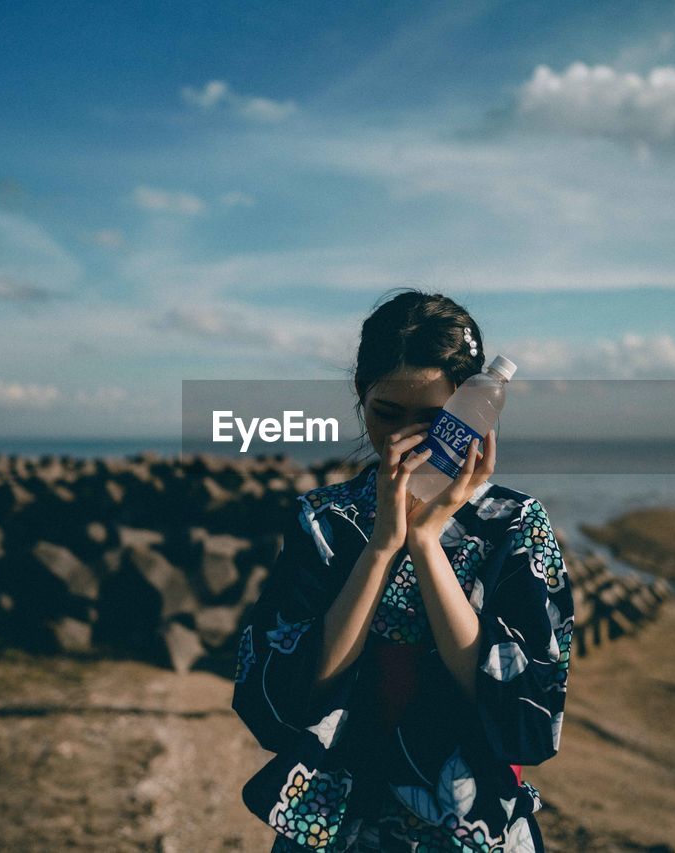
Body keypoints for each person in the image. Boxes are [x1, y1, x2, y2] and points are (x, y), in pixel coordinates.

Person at [232, 289, 573, 851]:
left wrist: (425, 541)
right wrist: (380, 548)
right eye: (386, 414)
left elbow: (526, 718)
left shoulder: (513, 524)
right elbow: (285, 699)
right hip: (333, 828)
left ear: (473, 413)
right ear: (360, 397)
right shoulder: (325, 521)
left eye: (434, 421)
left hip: (470, 832)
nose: (405, 442)